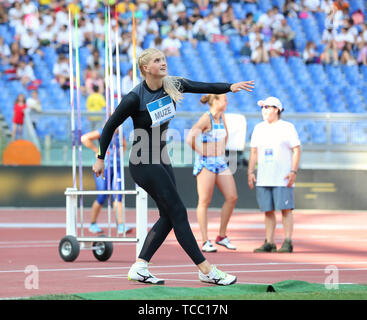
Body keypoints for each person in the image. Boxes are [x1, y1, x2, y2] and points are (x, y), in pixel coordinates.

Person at [93, 48, 254, 285]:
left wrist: (229, 86)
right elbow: (110, 126)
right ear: (146, 68)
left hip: (161, 158)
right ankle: (206, 269)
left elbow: (203, 86)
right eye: (157, 60)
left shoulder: (173, 85)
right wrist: (100, 157)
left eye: (163, 59)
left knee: (169, 216)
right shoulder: (134, 98)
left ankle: (140, 266)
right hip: (142, 160)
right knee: (178, 212)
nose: (163, 63)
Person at [247, 97, 301, 253]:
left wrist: (293, 171)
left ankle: (288, 241)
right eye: (262, 107)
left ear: (276, 109)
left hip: (282, 177)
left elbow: (296, 149)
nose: (264, 110)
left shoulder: (287, 127)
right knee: (268, 211)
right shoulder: (258, 128)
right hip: (264, 176)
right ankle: (269, 242)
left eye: (266, 107)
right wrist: (250, 171)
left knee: (286, 209)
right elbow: (254, 152)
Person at [186, 93, 237, 253]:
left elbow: (226, 135)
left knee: (232, 196)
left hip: (220, 162)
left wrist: (219, 149)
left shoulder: (222, 117)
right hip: (206, 163)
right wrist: (203, 151)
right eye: (224, 99)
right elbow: (190, 138)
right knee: (204, 201)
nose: (226, 102)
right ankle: (205, 240)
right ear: (215, 101)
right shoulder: (206, 118)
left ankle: (221, 236)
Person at [81, 129, 131, 235]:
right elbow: (84, 138)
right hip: (104, 167)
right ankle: (93, 224)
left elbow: (124, 145)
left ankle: (121, 225)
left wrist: (119, 155)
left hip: (117, 167)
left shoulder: (121, 133)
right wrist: (97, 151)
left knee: (118, 195)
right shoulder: (102, 131)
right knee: (102, 196)